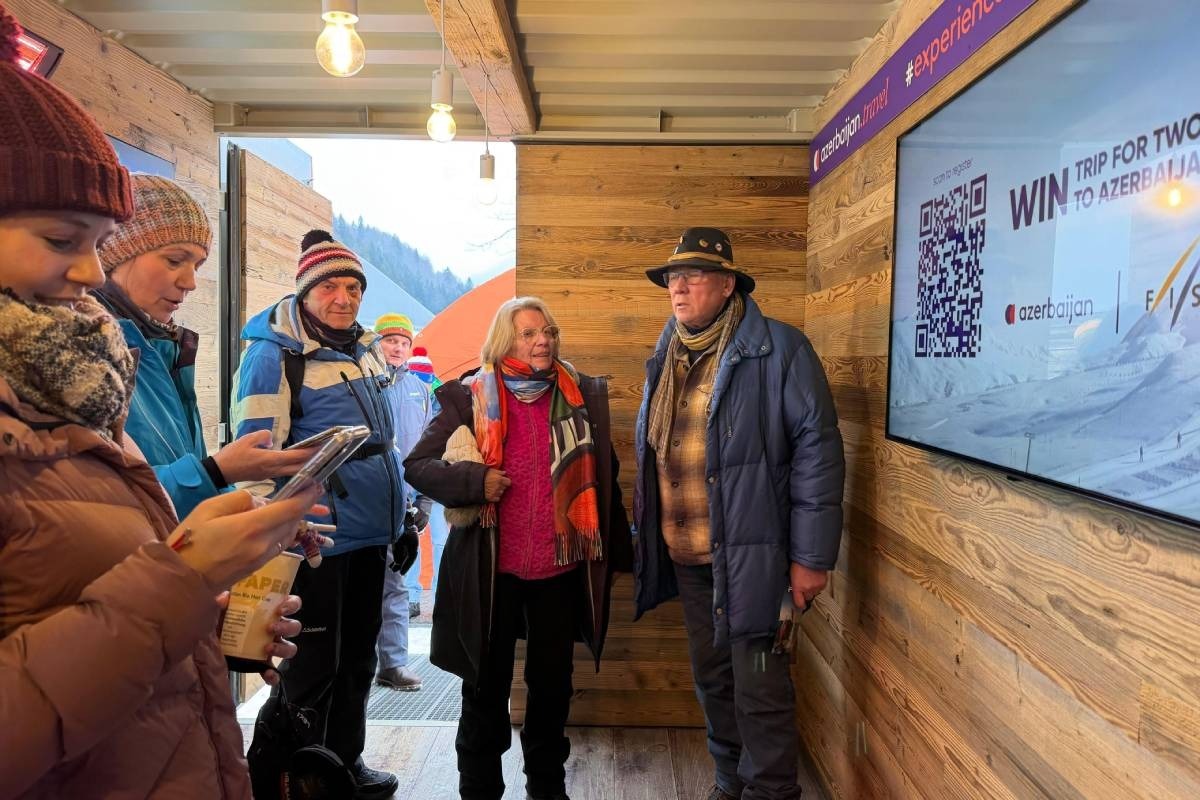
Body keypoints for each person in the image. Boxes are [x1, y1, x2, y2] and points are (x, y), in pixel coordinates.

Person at [0, 9, 319, 796]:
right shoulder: (91, 371)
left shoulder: (80, 379)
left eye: (96, 241)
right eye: (63, 239)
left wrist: (203, 602)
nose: (88, 271)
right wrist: (189, 559)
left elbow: (84, 584)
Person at [632, 228, 845, 800]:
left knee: (760, 687)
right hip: (690, 557)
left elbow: (818, 454)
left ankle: (771, 792)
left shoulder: (781, 350)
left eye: (692, 276)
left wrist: (811, 558)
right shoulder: (668, 354)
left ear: (728, 285)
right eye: (672, 278)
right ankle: (730, 784)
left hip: (757, 560)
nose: (678, 288)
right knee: (713, 679)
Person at [404, 297, 632, 800]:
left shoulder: (579, 396)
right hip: (491, 574)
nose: (542, 340)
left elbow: (605, 479)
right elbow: (417, 465)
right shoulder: (468, 397)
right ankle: (479, 789)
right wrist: (475, 481)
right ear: (505, 342)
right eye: (529, 333)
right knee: (484, 691)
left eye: (547, 331)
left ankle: (547, 787)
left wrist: (615, 557)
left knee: (551, 690)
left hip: (558, 571)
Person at [233, 231, 406, 799]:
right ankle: (287, 780)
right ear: (305, 291)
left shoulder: (363, 348)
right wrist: (270, 531)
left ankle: (341, 766)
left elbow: (383, 445)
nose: (344, 298)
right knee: (309, 670)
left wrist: (403, 518)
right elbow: (254, 455)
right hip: (315, 539)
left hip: (370, 534)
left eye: (353, 287)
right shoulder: (274, 355)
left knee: (356, 660)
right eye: (330, 286)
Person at [92, 174, 312, 519]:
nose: (191, 282)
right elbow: (97, 501)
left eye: (197, 265)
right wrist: (216, 471)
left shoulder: (163, 348)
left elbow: (175, 467)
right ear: (113, 251)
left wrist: (247, 509)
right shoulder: (83, 355)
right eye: (174, 260)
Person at [373, 312, 432, 691]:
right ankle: (355, 662)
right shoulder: (364, 383)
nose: (397, 348)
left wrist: (424, 501)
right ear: (376, 343)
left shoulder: (419, 390)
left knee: (395, 584)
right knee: (361, 584)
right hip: (365, 498)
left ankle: (393, 663)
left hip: (404, 504)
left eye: (403, 342)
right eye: (390, 340)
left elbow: (427, 449)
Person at [407, 345, 450, 604]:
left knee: (439, 538)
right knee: (414, 535)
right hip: (417, 479)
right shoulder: (405, 399)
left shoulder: (445, 402)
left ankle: (438, 594)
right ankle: (414, 595)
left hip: (435, 478)